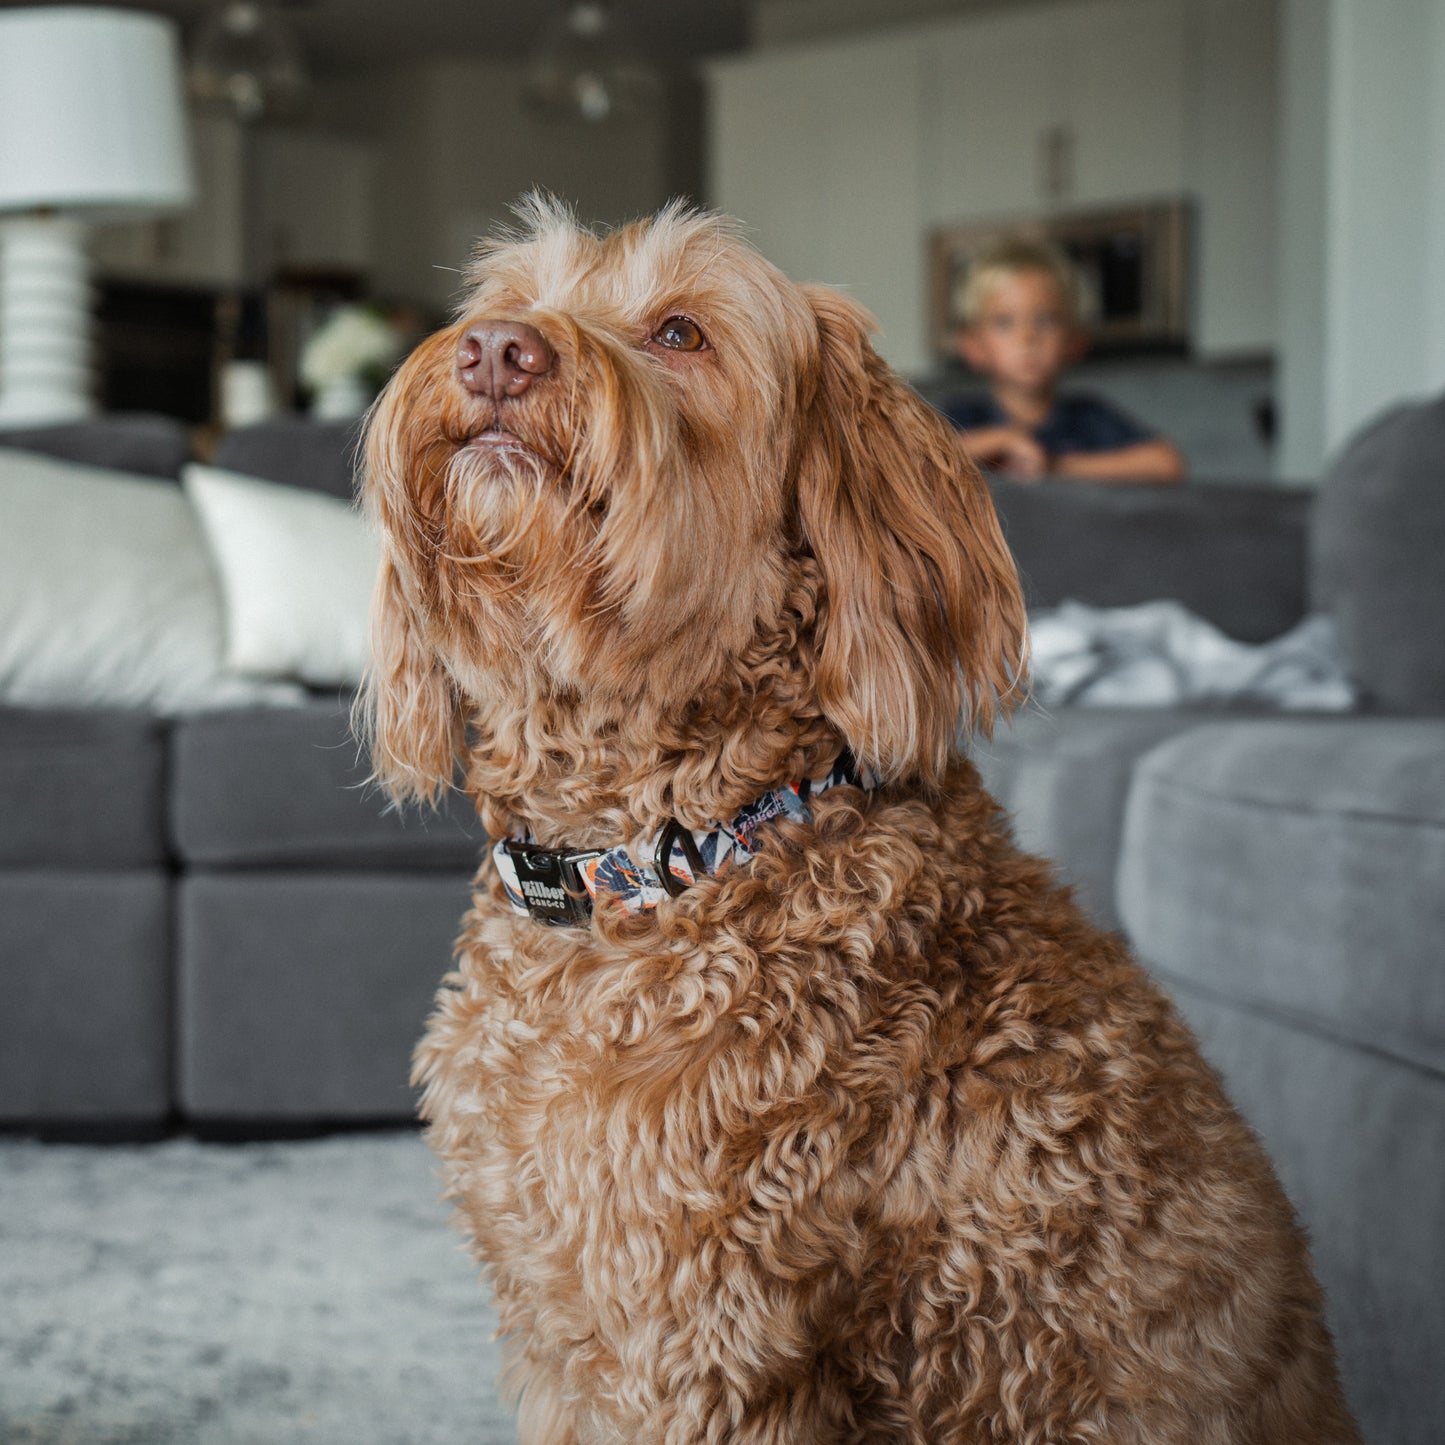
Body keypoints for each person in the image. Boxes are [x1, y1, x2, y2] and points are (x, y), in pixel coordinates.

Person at [940, 238, 1185, 483]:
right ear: (974, 347)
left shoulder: (1087, 417)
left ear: (1075, 342)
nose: (1027, 338)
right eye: (1004, 322)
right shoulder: (962, 414)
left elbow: (1167, 464)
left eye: (1045, 320)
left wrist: (1055, 466)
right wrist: (1002, 440)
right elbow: (921, 461)